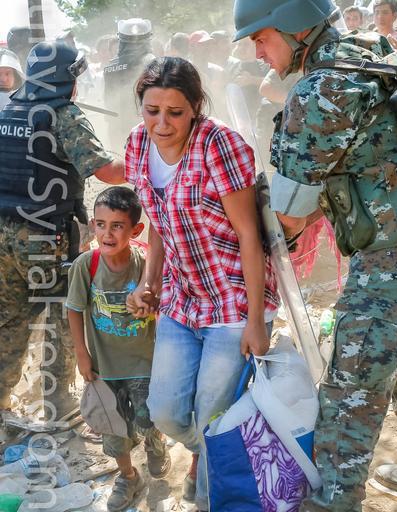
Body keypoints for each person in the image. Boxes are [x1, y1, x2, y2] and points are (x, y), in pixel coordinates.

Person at [232, 0, 397, 510]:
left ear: (296, 28)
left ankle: (335, 502)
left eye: (261, 38)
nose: (258, 52)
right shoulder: (371, 49)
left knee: (352, 380)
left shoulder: (319, 90)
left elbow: (289, 215)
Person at [125, 57, 279, 511]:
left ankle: (213, 495)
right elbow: (159, 220)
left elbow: (249, 234)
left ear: (196, 107)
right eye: (152, 111)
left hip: (233, 300)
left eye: (175, 112)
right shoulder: (138, 144)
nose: (162, 123)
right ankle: (213, 453)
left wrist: (256, 320)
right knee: (166, 412)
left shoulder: (219, 145)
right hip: (182, 298)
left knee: (214, 416)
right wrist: (150, 282)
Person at [0, 40, 125, 419]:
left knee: (10, 318)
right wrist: (152, 156)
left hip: (3, 232)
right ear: (64, 79)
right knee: (61, 316)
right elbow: (107, 171)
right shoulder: (62, 115)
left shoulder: (7, 110)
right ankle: (58, 404)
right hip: (43, 234)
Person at [66, 186, 170, 512]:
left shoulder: (144, 267)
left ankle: (155, 443)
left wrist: (149, 305)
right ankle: (127, 476)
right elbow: (74, 310)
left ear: (135, 230)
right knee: (113, 431)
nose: (106, 234)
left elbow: (160, 305)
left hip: (143, 362)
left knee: (148, 418)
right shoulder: (86, 265)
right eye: (100, 224)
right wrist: (81, 355)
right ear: (92, 226)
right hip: (104, 368)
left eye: (117, 226)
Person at [104, 18, 155, 154]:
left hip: (117, 126)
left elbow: (107, 100)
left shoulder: (110, 67)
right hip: (147, 127)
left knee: (122, 161)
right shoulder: (154, 63)